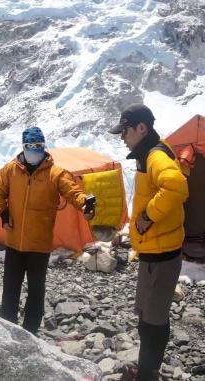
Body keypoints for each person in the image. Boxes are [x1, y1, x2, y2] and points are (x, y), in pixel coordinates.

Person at [108, 104, 188, 381]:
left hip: (163, 255)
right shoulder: (149, 153)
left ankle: (147, 375)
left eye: (125, 131)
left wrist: (147, 216)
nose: (122, 137)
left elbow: (176, 185)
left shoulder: (155, 155)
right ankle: (146, 369)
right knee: (146, 316)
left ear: (141, 128)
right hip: (154, 252)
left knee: (154, 320)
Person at [0, 127, 94, 336]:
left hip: (39, 244)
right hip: (14, 242)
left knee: (36, 290)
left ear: (44, 147)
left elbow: (72, 191)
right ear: (23, 147)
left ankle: (30, 331)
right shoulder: (10, 170)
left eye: (38, 146)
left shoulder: (56, 173)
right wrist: (3, 212)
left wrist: (85, 203)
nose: (34, 150)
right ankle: (6, 327)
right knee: (10, 287)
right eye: (30, 146)